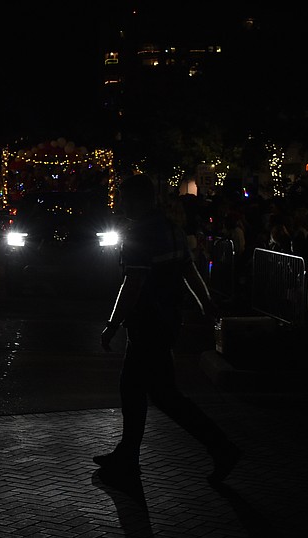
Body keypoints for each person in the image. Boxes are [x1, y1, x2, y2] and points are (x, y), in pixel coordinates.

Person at [96, 174, 241, 483]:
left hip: (146, 323)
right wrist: (205, 302)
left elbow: (132, 283)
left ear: (138, 200)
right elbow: (189, 269)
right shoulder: (172, 230)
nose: (121, 206)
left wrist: (112, 324)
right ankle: (129, 454)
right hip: (167, 320)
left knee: (152, 392)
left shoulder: (139, 234)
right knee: (150, 391)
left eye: (124, 199)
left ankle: (220, 447)